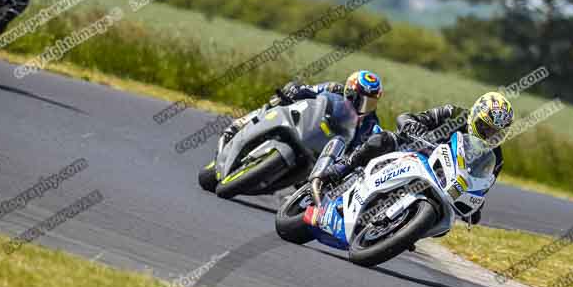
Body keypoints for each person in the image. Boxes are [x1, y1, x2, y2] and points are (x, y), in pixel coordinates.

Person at [309, 91, 515, 225]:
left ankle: (400, 228)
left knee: (445, 223)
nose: (488, 136)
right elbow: (407, 117)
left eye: (495, 133)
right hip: (414, 151)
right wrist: (413, 125)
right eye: (485, 128)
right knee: (383, 139)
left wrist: (476, 206)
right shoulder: (453, 114)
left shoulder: (495, 157)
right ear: (474, 116)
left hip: (442, 181)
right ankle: (341, 168)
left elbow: (482, 185)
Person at [219, 70, 384, 151]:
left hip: (324, 150)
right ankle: (241, 124)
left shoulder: (371, 123)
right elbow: (308, 90)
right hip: (308, 123)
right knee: (279, 102)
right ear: (350, 91)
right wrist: (294, 90)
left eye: (369, 102)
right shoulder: (333, 88)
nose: (364, 106)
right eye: (361, 99)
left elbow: (369, 143)